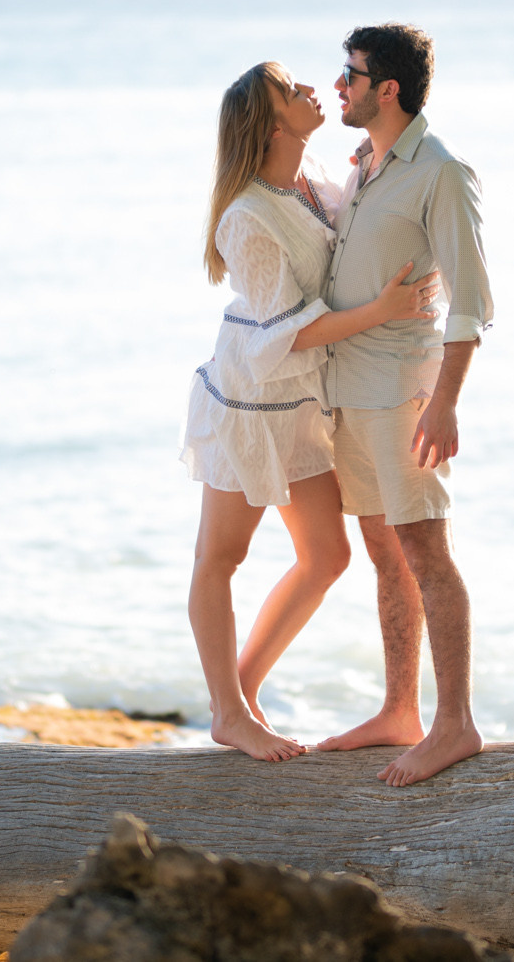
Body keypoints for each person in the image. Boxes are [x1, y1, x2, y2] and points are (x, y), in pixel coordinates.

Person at [181, 61, 440, 762]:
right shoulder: (244, 218)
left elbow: (346, 231)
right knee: (220, 556)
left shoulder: (309, 176)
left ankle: (233, 691)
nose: (309, 91)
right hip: (254, 398)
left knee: (326, 556)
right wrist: (378, 312)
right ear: (267, 125)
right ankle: (231, 713)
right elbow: (287, 330)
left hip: (305, 400)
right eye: (289, 90)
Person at [313, 24, 494, 787]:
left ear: (387, 88)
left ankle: (456, 724)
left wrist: (444, 403)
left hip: (403, 393)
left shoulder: (441, 172)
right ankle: (399, 710)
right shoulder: (367, 161)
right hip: (350, 391)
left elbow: (473, 303)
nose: (338, 86)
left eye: (349, 74)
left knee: (426, 552)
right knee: (385, 551)